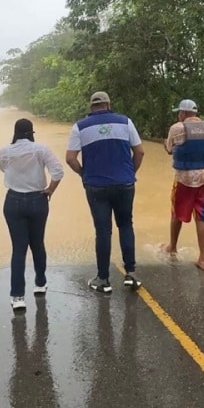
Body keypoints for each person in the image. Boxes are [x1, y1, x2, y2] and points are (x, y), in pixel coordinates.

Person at [65, 91, 145, 294]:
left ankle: (103, 279)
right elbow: (140, 151)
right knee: (126, 225)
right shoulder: (125, 122)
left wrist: (85, 175)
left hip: (96, 186)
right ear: (108, 104)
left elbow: (70, 158)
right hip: (125, 184)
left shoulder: (80, 127)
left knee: (103, 232)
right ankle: (131, 274)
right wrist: (129, 173)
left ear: (92, 107)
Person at [0, 118, 64, 313]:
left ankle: (17, 296)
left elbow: (2, 168)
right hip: (38, 200)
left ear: (15, 132)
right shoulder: (41, 149)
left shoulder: (5, 151)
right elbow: (58, 172)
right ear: (31, 132)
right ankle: (40, 283)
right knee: (38, 243)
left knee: (18, 249)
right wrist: (50, 190)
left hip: (13, 201)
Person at [164, 98, 204, 270]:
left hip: (183, 179)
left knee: (176, 213)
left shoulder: (177, 128)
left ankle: (172, 247)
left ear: (184, 113)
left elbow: (169, 149)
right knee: (201, 217)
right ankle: (203, 258)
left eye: (179, 112)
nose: (178, 115)